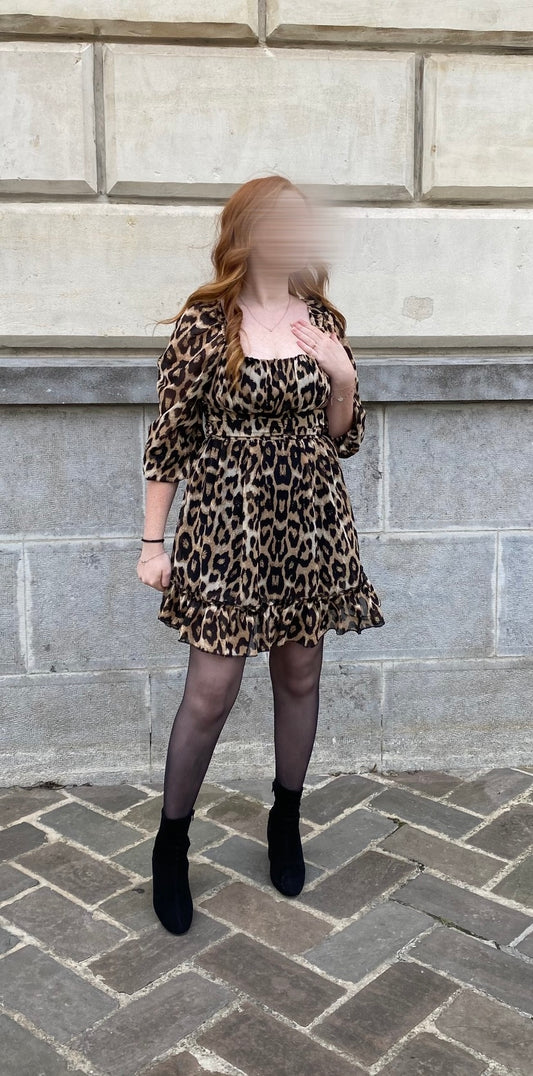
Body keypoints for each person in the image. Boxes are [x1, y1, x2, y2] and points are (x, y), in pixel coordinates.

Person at [137, 175, 385, 934]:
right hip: (225, 524)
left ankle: (285, 818)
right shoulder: (204, 324)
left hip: (309, 523)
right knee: (210, 692)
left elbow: (342, 437)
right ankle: (171, 845)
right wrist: (152, 543)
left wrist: (342, 375)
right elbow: (169, 442)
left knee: (300, 675)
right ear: (245, 232)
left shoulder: (321, 318)